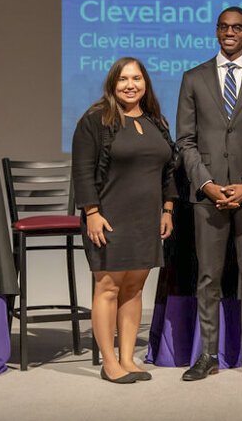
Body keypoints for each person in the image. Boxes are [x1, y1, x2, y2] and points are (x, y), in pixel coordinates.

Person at [176, 6, 242, 380]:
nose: (230, 32)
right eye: (223, 27)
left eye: (237, 28)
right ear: (216, 31)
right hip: (207, 195)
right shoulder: (193, 78)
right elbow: (185, 142)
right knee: (208, 277)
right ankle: (207, 354)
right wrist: (205, 183)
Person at [72, 57, 177, 384]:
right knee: (108, 287)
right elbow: (83, 169)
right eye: (123, 79)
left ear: (145, 82)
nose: (130, 85)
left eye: (137, 78)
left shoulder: (156, 120)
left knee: (134, 289)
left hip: (146, 218)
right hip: (108, 217)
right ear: (112, 84)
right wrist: (91, 212)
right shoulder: (96, 119)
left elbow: (168, 171)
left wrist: (168, 209)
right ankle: (109, 362)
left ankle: (128, 358)